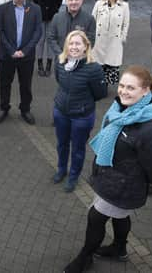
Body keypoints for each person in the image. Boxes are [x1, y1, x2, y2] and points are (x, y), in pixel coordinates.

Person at [63, 66, 152, 272]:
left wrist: (148, 183)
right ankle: (119, 248)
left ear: (145, 90)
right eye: (121, 86)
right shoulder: (121, 108)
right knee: (120, 216)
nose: (123, 91)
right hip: (110, 178)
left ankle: (85, 257)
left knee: (95, 217)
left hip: (125, 185)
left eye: (131, 88)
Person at [53, 30, 107, 193]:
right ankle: (61, 170)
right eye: (71, 43)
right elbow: (59, 81)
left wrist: (82, 103)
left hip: (82, 116)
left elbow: (100, 93)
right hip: (61, 112)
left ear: (86, 47)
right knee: (61, 144)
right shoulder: (60, 62)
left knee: (77, 148)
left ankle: (73, 176)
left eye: (78, 43)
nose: (74, 47)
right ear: (66, 46)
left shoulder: (94, 68)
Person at [0, 0, 42, 125]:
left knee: (26, 85)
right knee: (5, 83)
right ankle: (4, 108)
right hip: (7, 55)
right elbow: (0, 31)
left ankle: (25, 109)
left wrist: (24, 51)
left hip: (27, 56)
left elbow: (37, 32)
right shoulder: (2, 9)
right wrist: (12, 50)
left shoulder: (35, 9)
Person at [91, 0, 130, 85]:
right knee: (97, 66)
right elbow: (92, 21)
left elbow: (125, 24)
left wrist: (122, 38)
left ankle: (105, 86)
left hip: (114, 41)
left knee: (110, 65)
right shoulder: (99, 4)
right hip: (99, 41)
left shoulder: (124, 6)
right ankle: (97, 86)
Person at [46, 0, 96, 68]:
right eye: (71, 0)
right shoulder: (57, 17)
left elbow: (91, 41)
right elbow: (51, 38)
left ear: (81, 0)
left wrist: (78, 55)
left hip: (81, 63)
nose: (74, 2)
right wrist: (61, 54)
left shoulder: (90, 19)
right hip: (60, 61)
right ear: (66, 1)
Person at [32, 0, 64, 77]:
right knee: (40, 41)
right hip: (40, 17)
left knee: (50, 41)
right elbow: (35, 1)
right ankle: (40, 64)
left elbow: (59, 2)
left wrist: (52, 10)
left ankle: (49, 64)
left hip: (52, 18)